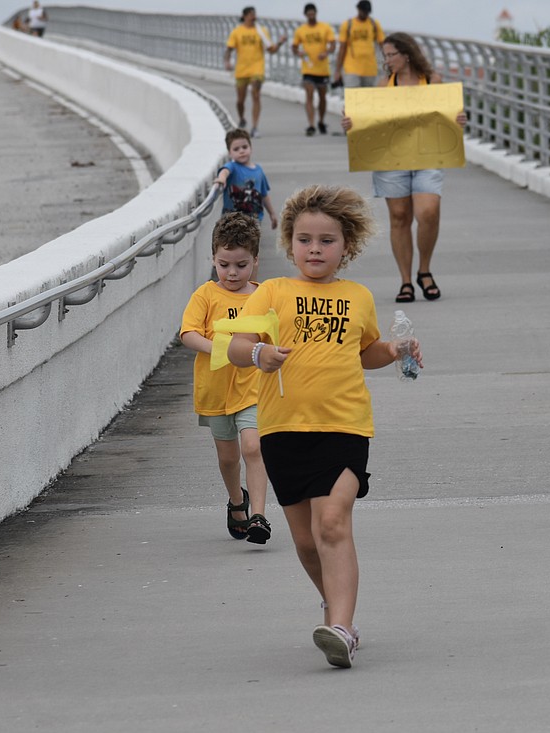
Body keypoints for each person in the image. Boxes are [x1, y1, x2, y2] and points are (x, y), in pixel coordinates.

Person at [226, 185, 423, 669]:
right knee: (306, 541)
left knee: (332, 522)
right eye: (305, 239)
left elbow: (366, 352)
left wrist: (397, 351)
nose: (315, 249)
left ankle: (342, 628)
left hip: (344, 427)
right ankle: (335, 610)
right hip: (282, 430)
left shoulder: (356, 297)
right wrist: (260, 354)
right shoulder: (271, 291)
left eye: (327, 241)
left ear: (346, 245)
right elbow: (233, 347)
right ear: (289, 243)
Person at [341, 32, 467, 303]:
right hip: (391, 158)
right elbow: (371, 121)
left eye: (391, 55)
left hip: (427, 155)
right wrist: (352, 125)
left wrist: (457, 119)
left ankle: (424, 269)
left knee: (428, 212)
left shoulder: (432, 80)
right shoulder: (384, 83)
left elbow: (445, 117)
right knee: (399, 217)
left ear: (406, 54)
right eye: (384, 55)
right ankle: (406, 281)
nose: (387, 60)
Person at [179, 213, 272, 544]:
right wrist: (220, 347)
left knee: (253, 446)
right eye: (224, 264)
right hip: (216, 391)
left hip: (253, 388)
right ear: (213, 259)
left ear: (256, 261)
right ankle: (237, 501)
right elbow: (188, 334)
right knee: (228, 457)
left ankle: (259, 515)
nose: (232, 273)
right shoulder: (206, 295)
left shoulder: (264, 296)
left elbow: (275, 337)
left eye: (241, 265)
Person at [224, 7, 288, 138]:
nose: (253, 17)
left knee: (256, 95)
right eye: (251, 15)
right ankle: (242, 118)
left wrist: (280, 43)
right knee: (240, 101)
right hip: (242, 70)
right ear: (244, 16)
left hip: (257, 68)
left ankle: (255, 126)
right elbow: (229, 49)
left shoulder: (261, 31)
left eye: (254, 15)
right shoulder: (237, 32)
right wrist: (227, 62)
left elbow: (271, 49)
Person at [215, 129, 279, 230]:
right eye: (236, 149)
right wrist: (222, 179)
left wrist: (272, 214)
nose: (241, 151)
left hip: (254, 221)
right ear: (230, 153)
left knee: (251, 245)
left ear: (251, 148)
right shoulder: (232, 167)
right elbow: (225, 171)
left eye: (244, 147)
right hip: (232, 221)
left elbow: (264, 195)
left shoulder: (259, 171)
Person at [291, 3, 337, 136]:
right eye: (309, 14)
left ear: (316, 13)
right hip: (308, 68)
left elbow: (333, 44)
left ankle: (321, 121)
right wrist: (298, 52)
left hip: (322, 69)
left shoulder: (325, 27)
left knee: (322, 97)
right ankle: (311, 124)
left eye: (313, 13)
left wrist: (326, 52)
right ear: (305, 15)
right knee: (309, 95)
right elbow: (294, 46)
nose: (311, 16)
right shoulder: (301, 30)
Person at [333, 0, 385, 89]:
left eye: (367, 12)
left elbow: (383, 44)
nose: (365, 14)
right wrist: (338, 70)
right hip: (351, 67)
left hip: (369, 68)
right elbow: (342, 48)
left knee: (366, 98)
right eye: (363, 11)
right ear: (358, 9)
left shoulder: (374, 24)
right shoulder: (348, 24)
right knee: (352, 95)